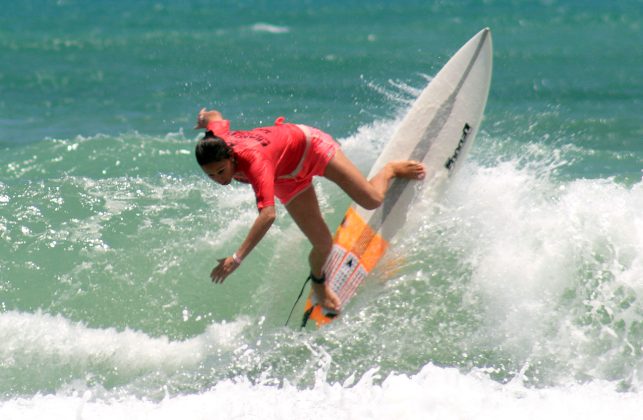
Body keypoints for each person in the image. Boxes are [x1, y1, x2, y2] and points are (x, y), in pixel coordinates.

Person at [194, 108, 425, 312]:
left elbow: (268, 214)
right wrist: (204, 118)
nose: (219, 179)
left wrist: (237, 258)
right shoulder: (216, 140)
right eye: (211, 175)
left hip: (311, 148)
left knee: (372, 200)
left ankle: (389, 170)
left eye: (222, 171)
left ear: (231, 157)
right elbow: (215, 117)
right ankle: (319, 283)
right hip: (286, 178)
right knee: (323, 244)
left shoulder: (255, 161)